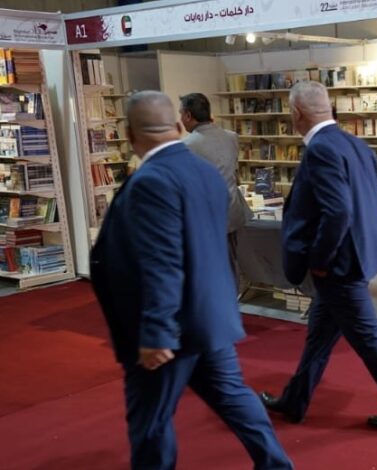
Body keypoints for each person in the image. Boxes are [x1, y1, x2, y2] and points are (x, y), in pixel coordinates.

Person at [90, 91, 292, 470]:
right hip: (208, 314)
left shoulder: (151, 180)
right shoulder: (204, 171)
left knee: (150, 421)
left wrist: (157, 330)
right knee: (233, 397)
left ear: (130, 134)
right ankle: (276, 464)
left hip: (172, 326)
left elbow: (163, 260)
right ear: (177, 125)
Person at [259, 81, 377, 430]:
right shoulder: (355, 143)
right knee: (319, 336)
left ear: (296, 113)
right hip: (355, 258)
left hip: (339, 267)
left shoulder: (320, 149)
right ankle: (295, 399)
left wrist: (321, 260)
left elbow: (337, 212)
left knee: (368, 339)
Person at [179, 92, 252, 290]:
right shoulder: (231, 137)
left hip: (205, 217)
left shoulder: (186, 145)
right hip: (231, 211)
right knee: (230, 264)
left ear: (188, 115)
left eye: (181, 114)